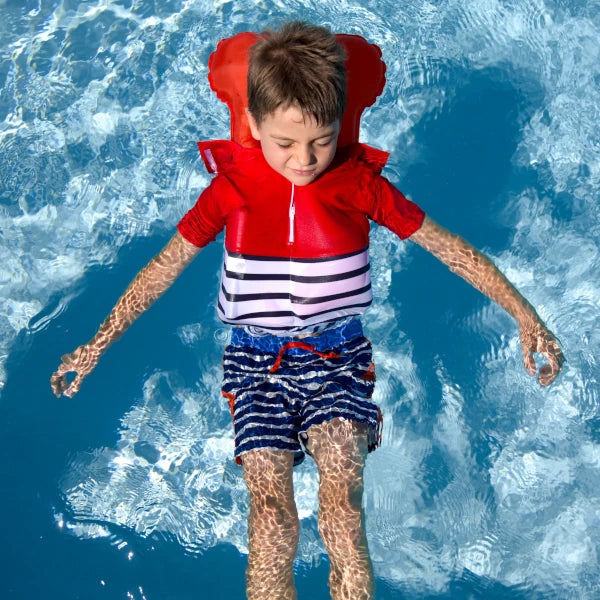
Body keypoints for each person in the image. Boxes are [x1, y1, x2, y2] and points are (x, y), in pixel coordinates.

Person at [51, 21, 564, 600]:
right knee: (271, 522)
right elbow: (163, 268)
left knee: (341, 514)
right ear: (252, 125)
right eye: (285, 143)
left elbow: (450, 249)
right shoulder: (232, 189)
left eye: (320, 141)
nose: (304, 160)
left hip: (337, 355)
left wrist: (527, 319)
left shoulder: (359, 186)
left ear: (338, 124)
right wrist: (95, 345)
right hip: (255, 364)